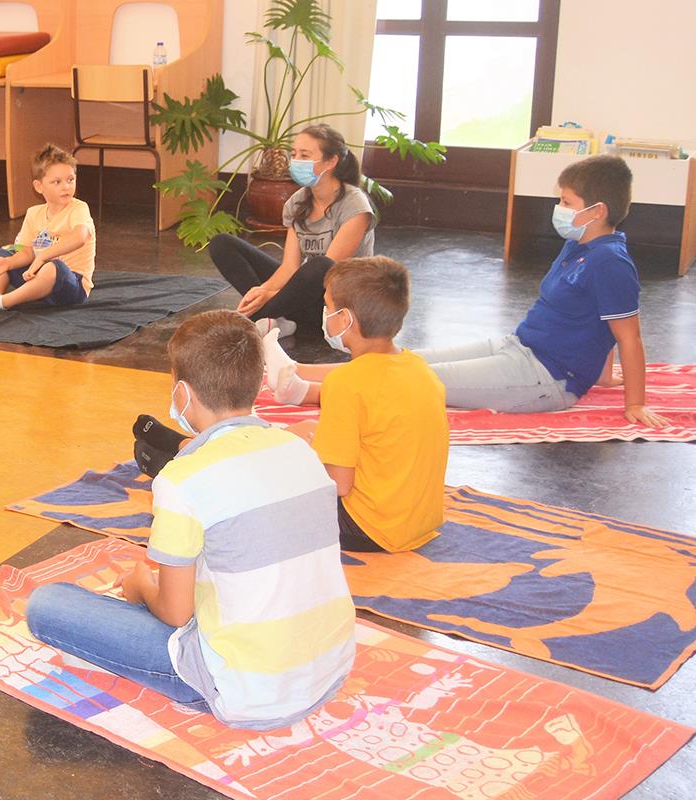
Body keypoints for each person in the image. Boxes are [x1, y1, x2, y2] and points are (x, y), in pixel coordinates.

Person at [35, 310, 354, 730]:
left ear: (182, 394)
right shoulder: (300, 450)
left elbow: (175, 612)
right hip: (330, 667)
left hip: (247, 691)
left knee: (46, 605)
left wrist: (141, 588)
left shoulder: (180, 480)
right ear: (257, 382)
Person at [402, 156, 665, 421]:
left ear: (597, 211)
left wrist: (635, 404)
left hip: (545, 377)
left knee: (407, 378)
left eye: (566, 202)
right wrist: (603, 376)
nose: (559, 208)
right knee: (401, 360)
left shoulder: (611, 263)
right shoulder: (578, 244)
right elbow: (602, 316)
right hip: (518, 346)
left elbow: (628, 337)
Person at [260, 257, 449, 553]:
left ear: (345, 319)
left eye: (327, 306)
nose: (324, 314)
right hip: (420, 521)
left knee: (266, 475)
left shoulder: (345, 384)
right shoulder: (418, 367)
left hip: (367, 528)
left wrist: (295, 448)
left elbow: (338, 484)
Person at [205, 123, 373, 336]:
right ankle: (270, 315)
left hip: (338, 305)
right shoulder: (297, 202)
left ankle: (259, 316)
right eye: (294, 154)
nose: (296, 161)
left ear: (331, 161)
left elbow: (331, 272)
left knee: (320, 265)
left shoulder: (354, 205)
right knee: (222, 243)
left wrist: (271, 295)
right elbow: (289, 267)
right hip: (302, 297)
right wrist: (262, 291)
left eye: (305, 155)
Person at [0, 143, 95, 309]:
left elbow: (80, 237)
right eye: (57, 182)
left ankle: (4, 302)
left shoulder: (79, 208)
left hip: (71, 286)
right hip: (38, 276)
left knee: (53, 267)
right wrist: (8, 263)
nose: (66, 187)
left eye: (70, 180)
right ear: (39, 186)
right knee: (3, 254)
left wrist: (42, 256)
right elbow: (27, 252)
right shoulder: (33, 213)